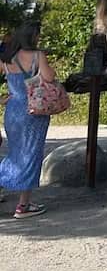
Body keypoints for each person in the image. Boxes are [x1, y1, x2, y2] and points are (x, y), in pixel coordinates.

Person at [0, 21, 55, 217]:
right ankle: (23, 205)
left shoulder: (6, 59)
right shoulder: (37, 55)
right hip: (33, 111)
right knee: (31, 155)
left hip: (12, 110)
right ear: (32, 37)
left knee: (14, 153)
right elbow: (48, 78)